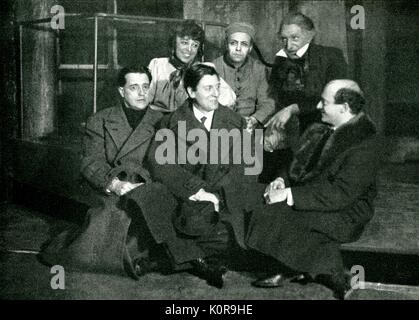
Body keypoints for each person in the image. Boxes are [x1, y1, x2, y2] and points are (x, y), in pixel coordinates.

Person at [246, 80, 383, 299]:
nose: (318, 106)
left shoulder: (366, 142)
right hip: (313, 195)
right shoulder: (318, 128)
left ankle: (311, 270)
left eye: (324, 102)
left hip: (347, 209)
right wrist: (282, 180)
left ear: (344, 107)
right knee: (262, 204)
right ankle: (306, 268)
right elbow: (295, 163)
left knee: (288, 217)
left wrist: (289, 195)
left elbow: (341, 194)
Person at [125, 63, 258, 288]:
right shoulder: (171, 121)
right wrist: (196, 189)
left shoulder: (235, 121)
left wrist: (217, 196)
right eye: (208, 88)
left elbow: (248, 167)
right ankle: (201, 261)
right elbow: (159, 164)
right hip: (186, 195)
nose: (215, 93)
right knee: (149, 197)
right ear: (191, 92)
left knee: (224, 231)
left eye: (217, 87)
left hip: (222, 199)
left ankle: (167, 259)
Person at [39, 65, 173, 278]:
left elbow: (168, 164)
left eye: (146, 87)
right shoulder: (100, 119)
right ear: (121, 91)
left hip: (149, 187)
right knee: (93, 244)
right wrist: (114, 184)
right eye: (134, 87)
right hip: (110, 187)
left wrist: (146, 183)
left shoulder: (164, 121)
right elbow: (91, 160)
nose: (141, 93)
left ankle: (141, 255)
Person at [260, 11, 349, 182]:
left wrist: (292, 109)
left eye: (295, 38)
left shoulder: (331, 56)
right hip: (294, 126)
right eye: (284, 39)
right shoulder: (281, 60)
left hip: (327, 123)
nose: (289, 45)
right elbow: (275, 96)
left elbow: (335, 98)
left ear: (309, 35)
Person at [147, 20, 236, 113]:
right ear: (174, 43)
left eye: (195, 45)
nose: (189, 49)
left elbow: (229, 99)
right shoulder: (157, 65)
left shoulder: (202, 70)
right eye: (184, 43)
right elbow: (144, 101)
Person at [212, 22, 275, 131]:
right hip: (220, 127)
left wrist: (254, 119)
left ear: (250, 48)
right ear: (226, 44)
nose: (238, 49)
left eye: (244, 44)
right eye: (233, 43)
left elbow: (267, 102)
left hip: (250, 126)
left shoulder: (259, 69)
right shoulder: (213, 67)